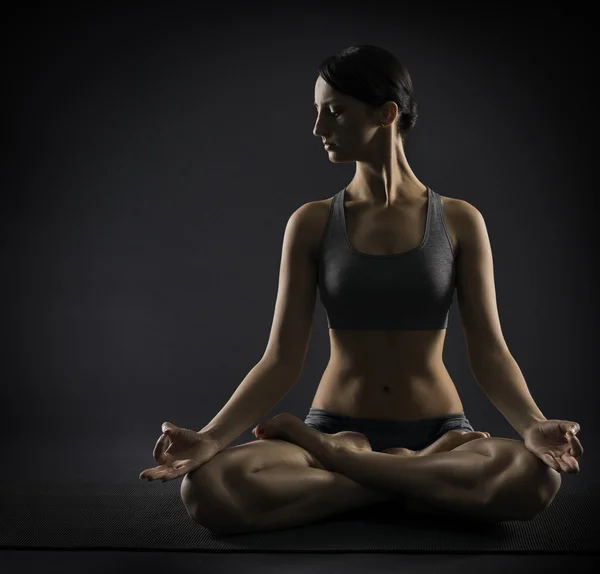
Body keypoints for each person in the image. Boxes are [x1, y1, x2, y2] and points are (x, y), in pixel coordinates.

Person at [139, 45, 583, 535]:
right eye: (317, 113)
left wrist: (532, 424)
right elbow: (281, 358)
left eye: (334, 112)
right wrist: (210, 438)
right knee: (207, 490)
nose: (318, 129)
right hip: (335, 427)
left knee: (535, 479)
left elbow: (489, 350)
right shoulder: (311, 223)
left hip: (440, 432)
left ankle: (350, 473)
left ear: (386, 114)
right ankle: (415, 482)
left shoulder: (460, 221)